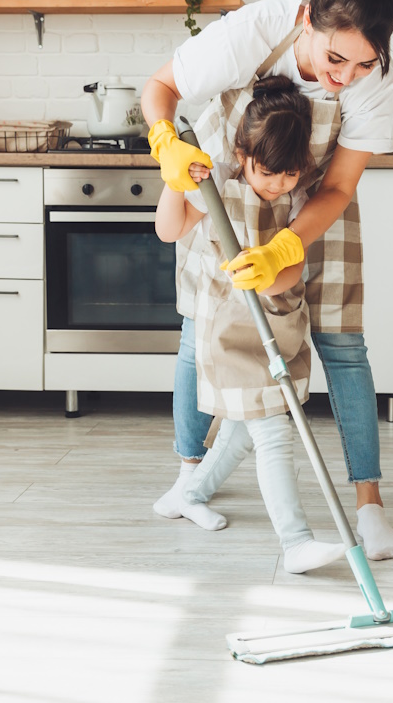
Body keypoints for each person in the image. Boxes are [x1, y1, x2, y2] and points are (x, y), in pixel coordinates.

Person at [145, 0, 393, 561]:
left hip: (317, 204)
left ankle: (369, 507)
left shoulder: (374, 83)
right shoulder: (260, 29)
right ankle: (191, 476)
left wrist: (288, 248)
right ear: (308, 22)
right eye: (334, 59)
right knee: (199, 333)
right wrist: (167, 147)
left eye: (364, 62)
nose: (345, 76)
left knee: (344, 347)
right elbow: (162, 88)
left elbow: (339, 185)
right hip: (228, 193)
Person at [153, 76, 347, 574]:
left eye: (287, 174)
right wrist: (176, 182)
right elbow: (168, 230)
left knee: (243, 427)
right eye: (265, 172)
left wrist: (273, 268)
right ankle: (296, 542)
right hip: (229, 329)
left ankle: (188, 495)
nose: (276, 183)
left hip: (278, 323)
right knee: (273, 430)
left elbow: (294, 266)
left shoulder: (299, 195)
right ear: (241, 153)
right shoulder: (217, 189)